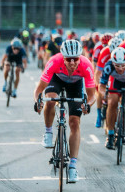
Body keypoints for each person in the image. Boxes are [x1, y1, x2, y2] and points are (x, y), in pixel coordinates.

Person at [33, 40, 96, 183]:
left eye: (76, 59)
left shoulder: (86, 65)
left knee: (74, 122)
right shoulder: (54, 61)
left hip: (76, 85)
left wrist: (88, 105)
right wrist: (38, 101)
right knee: (51, 99)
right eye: (69, 59)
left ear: (80, 57)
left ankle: (73, 166)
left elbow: (92, 96)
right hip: (57, 80)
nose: (73, 63)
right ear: (63, 57)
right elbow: (38, 90)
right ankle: (48, 132)